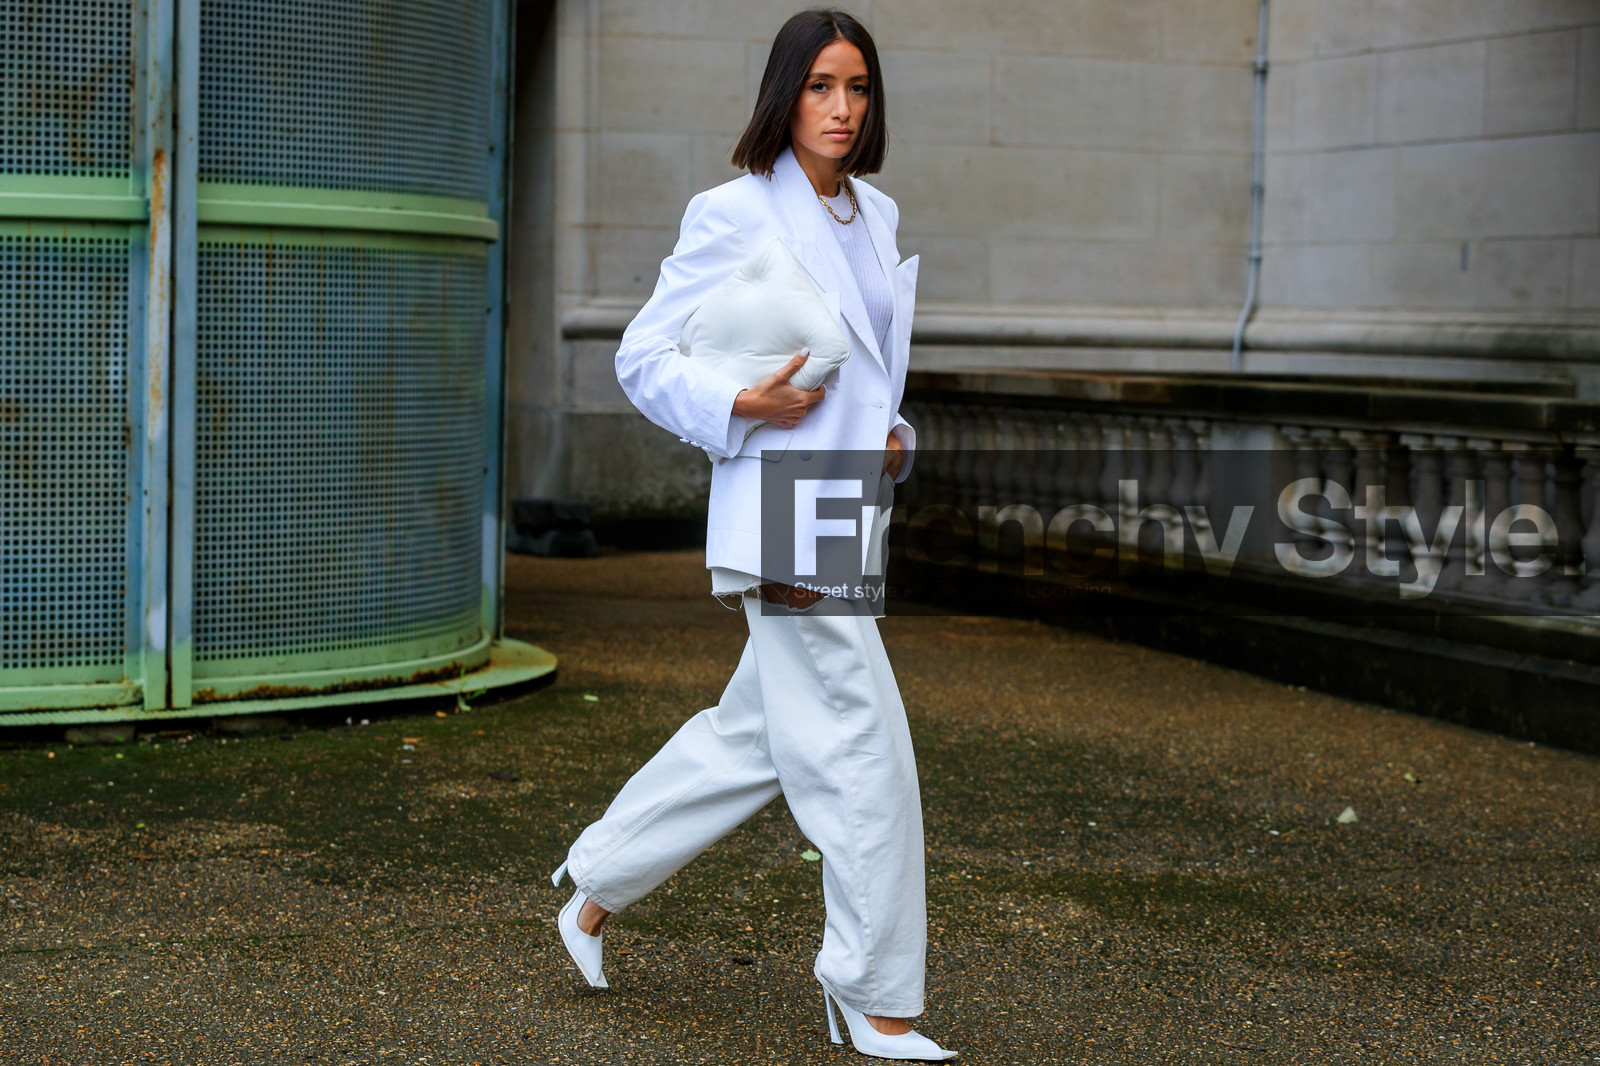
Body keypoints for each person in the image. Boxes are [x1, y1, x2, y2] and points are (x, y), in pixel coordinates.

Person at [549, 9, 954, 1061]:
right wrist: (739, 403)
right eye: (820, 86)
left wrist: (892, 433)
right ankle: (873, 993)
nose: (841, 108)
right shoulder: (732, 212)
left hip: (848, 504)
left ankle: (594, 883)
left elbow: (866, 370)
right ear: (786, 94)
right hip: (783, 504)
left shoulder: (875, 212)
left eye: (857, 87)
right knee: (862, 745)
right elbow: (642, 358)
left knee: (755, 736)